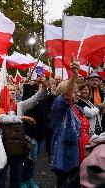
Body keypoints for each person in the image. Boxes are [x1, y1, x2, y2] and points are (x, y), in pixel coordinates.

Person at [50, 58, 90, 188]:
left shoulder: (77, 108)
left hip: (78, 152)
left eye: (77, 91)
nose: (78, 94)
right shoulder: (59, 105)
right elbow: (67, 96)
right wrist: (75, 75)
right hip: (65, 155)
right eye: (74, 91)